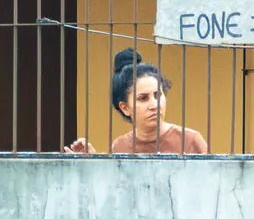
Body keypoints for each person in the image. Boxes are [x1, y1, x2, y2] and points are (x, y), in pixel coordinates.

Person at [64, 48, 209, 154]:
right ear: (125, 108)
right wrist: (92, 163)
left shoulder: (190, 141)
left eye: (158, 95)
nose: (154, 105)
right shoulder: (120, 147)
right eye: (143, 98)